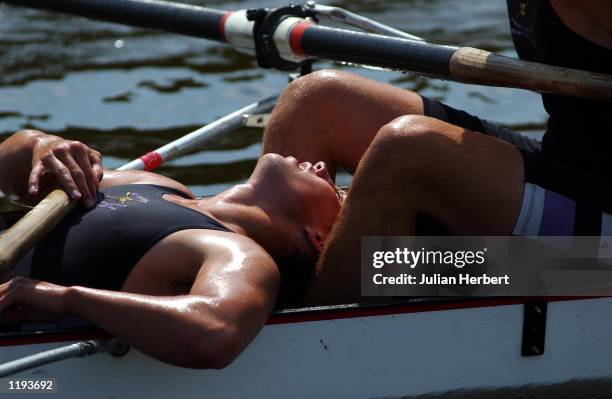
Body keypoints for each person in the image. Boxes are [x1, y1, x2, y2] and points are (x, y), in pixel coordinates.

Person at [261, 0, 612, 304]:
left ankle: (312, 340)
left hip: (600, 250)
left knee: (408, 150)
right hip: (566, 162)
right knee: (315, 102)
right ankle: (253, 272)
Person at [0, 129, 342, 368]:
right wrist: (43, 146)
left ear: (317, 237)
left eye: (339, 193)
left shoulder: (238, 255)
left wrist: (65, 299)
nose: (325, 168)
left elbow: (214, 334)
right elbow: (8, 171)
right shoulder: (161, 185)